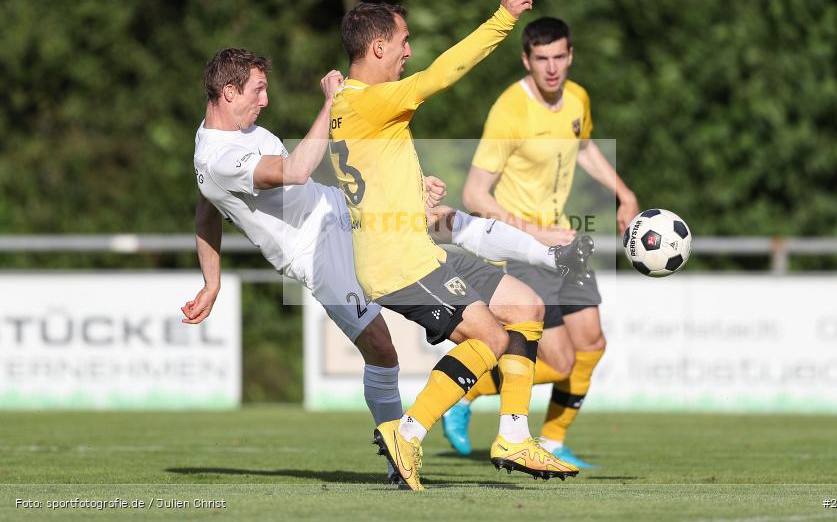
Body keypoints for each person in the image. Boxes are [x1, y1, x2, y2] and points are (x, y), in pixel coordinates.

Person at [181, 48, 588, 486]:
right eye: (258, 90)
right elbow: (298, 170)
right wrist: (330, 102)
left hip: (336, 208)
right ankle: (401, 457)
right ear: (228, 91)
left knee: (445, 222)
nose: (265, 101)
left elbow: (206, 209)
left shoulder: (231, 137)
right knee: (381, 349)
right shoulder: (216, 158)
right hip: (315, 255)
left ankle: (548, 259)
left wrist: (212, 281)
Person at [331, 0, 579, 491]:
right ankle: (409, 432)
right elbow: (443, 72)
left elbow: (370, 175)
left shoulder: (347, 103)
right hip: (403, 265)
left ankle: (513, 434)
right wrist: (502, 19)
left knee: (526, 306)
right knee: (490, 338)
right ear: (377, 47)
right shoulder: (373, 99)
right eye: (403, 41)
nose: (409, 51)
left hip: (419, 249)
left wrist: (413, 193)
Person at [444, 17, 640, 469]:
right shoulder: (510, 110)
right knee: (560, 359)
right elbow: (475, 194)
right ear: (527, 60)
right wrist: (533, 234)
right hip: (522, 247)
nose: (552, 68)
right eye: (542, 59)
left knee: (591, 344)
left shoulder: (577, 98)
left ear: (570, 56)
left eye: (559, 57)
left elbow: (585, 146)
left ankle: (553, 440)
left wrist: (624, 193)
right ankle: (463, 393)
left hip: (565, 242)